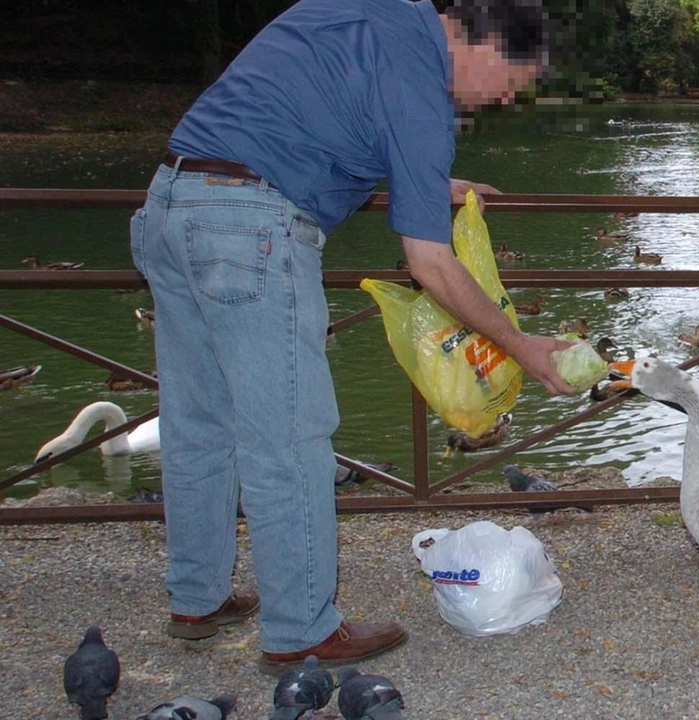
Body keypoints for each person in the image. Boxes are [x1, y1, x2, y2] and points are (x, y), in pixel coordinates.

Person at [128, 0, 574, 674]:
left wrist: (424, 182)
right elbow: (429, 264)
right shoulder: (425, 87)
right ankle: (301, 629)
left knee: (198, 425)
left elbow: (315, 116)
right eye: (513, 77)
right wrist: (520, 344)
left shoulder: (370, 11)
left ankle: (197, 598)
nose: (509, 95)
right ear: (477, 41)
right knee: (291, 440)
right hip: (248, 229)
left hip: (171, 203)